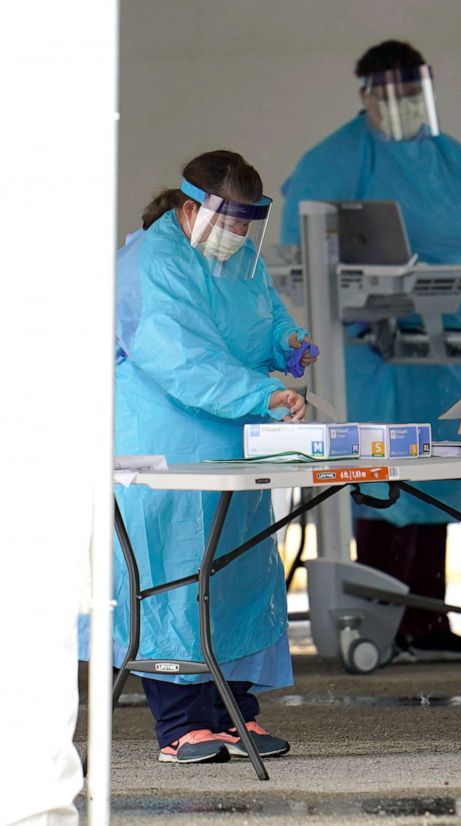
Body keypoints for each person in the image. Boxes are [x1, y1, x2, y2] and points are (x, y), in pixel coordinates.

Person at [281, 40, 461, 659]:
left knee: (437, 479)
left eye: (416, 94)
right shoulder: (337, 160)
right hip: (369, 353)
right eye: (394, 95)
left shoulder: (455, 162)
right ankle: (380, 621)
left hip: (445, 350)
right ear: (364, 96)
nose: (407, 106)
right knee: (379, 481)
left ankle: (427, 622)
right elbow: (300, 252)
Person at [109, 150, 316, 764]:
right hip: (164, 444)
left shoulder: (239, 261)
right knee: (173, 579)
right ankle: (180, 725)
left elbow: (265, 315)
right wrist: (263, 391)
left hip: (234, 443)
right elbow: (179, 357)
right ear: (190, 207)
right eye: (231, 222)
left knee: (236, 576)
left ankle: (232, 713)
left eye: (248, 224)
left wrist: (290, 343)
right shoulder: (150, 261)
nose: (239, 237)